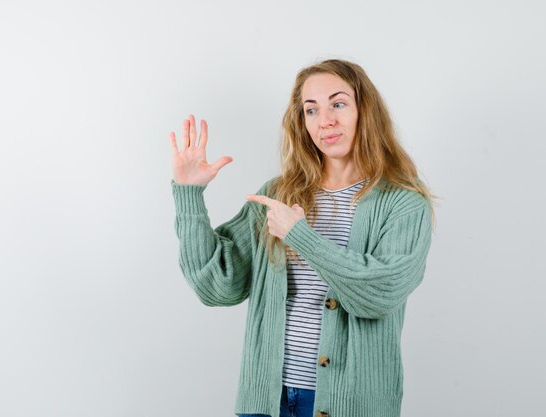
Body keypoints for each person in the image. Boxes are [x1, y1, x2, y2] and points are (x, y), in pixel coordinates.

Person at [169, 59, 435, 417]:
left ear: (364, 111)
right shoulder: (278, 195)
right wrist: (189, 194)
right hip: (267, 401)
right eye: (311, 110)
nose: (325, 120)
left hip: (351, 404)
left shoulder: (402, 200)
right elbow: (217, 286)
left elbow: (380, 293)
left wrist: (300, 237)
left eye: (338, 104)